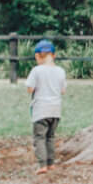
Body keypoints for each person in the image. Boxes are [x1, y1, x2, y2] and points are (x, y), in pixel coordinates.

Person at [26, 38, 66, 172]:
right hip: (55, 110)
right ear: (53, 55)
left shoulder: (36, 71)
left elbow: (30, 89)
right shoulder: (61, 71)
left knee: (39, 137)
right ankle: (51, 163)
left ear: (37, 56)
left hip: (40, 110)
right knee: (50, 137)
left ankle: (42, 165)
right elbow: (63, 90)